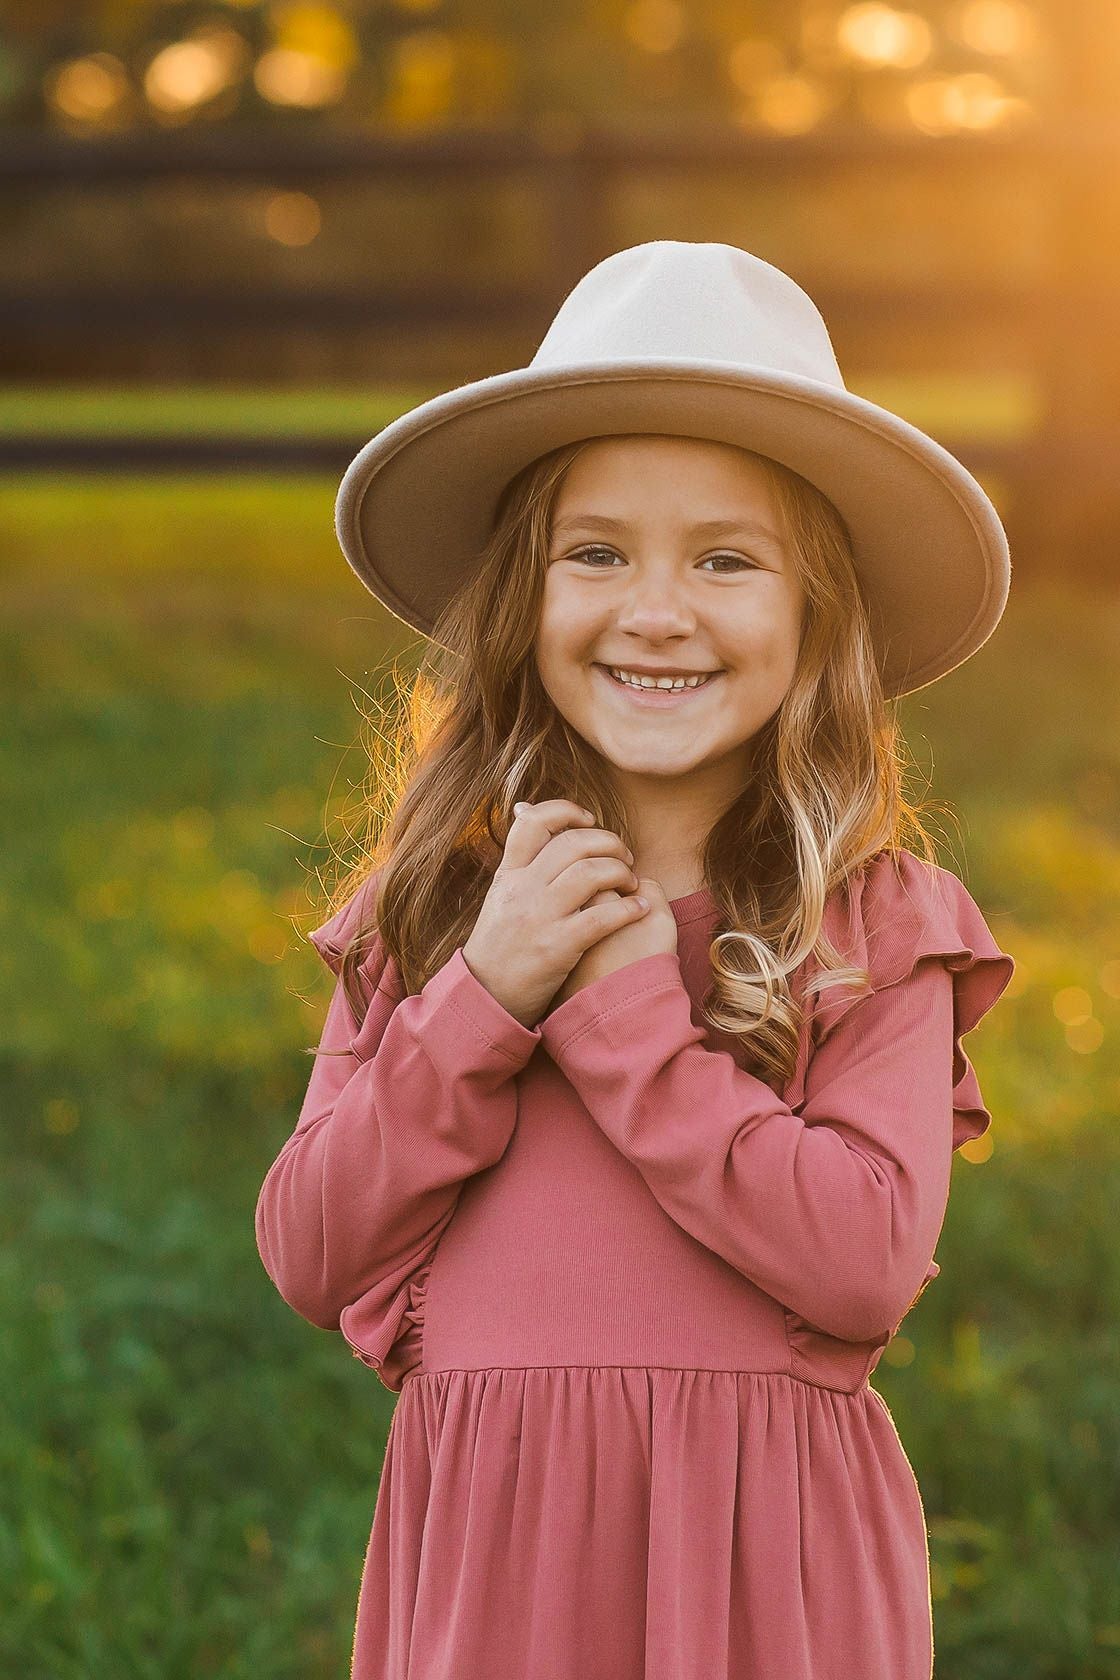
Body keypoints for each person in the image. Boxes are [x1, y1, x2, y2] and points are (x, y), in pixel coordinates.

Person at [254, 241, 1016, 1680]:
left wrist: (623, 1026)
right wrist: (483, 1000)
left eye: (725, 560)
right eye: (595, 553)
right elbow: (310, 1248)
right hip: (497, 1558)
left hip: (761, 1561)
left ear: (817, 618)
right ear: (518, 605)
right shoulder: (436, 912)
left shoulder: (870, 922)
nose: (655, 610)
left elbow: (862, 1264)